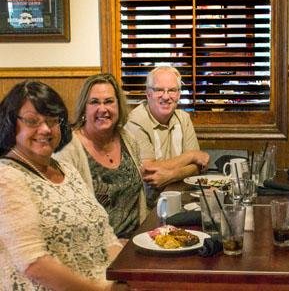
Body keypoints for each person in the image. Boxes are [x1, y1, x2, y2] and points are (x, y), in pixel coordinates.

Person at [0, 80, 124, 290]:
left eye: (52, 120)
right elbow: (35, 265)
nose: (45, 129)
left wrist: (125, 276)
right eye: (32, 121)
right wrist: (101, 290)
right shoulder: (6, 177)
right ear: (12, 123)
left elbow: (105, 235)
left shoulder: (67, 169)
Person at [55, 74, 147, 239]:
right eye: (94, 102)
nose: (102, 109)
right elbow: (66, 217)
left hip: (136, 242)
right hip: (95, 249)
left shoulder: (128, 139)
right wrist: (112, 245)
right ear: (84, 107)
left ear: (118, 106)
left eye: (109, 101)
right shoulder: (68, 150)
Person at [126, 66, 209, 206]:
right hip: (149, 207)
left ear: (179, 94)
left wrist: (171, 176)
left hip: (184, 200)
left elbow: (199, 166)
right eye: (159, 90)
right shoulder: (135, 121)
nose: (166, 96)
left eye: (172, 90)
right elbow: (149, 170)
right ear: (148, 94)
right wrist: (190, 156)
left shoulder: (184, 118)